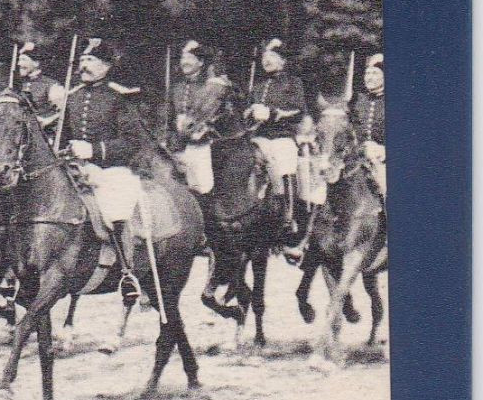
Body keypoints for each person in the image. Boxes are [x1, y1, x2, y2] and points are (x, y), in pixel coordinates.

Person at [61, 38, 152, 303]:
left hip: (111, 169)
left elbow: (131, 142)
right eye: (82, 61)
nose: (84, 66)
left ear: (106, 66)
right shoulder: (73, 97)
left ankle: (127, 273)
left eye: (91, 61)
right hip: (76, 168)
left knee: (114, 211)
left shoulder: (118, 99)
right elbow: (61, 135)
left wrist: (93, 150)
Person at [247, 37, 306, 234]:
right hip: (259, 136)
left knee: (285, 164)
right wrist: (250, 113)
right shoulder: (256, 87)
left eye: (272, 56)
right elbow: (246, 115)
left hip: (281, 136)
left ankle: (289, 217)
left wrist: (272, 113)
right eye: (265, 56)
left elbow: (298, 111)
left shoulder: (293, 83)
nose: (267, 60)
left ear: (283, 60)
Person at [168, 40, 239, 195]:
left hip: (205, 145)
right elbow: (168, 118)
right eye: (182, 58)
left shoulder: (213, 86)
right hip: (179, 145)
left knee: (201, 187)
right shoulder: (177, 88)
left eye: (189, 58)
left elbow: (226, 117)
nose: (184, 62)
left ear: (200, 62)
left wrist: (207, 128)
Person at [354, 51, 386, 199]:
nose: (370, 77)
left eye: (374, 73)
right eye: (367, 73)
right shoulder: (359, 101)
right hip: (358, 155)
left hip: (382, 157)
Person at [14, 41, 62, 131]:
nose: (19, 64)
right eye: (19, 60)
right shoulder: (18, 84)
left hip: (44, 135)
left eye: (23, 60)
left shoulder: (51, 85)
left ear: (36, 63)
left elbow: (64, 113)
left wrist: (47, 121)